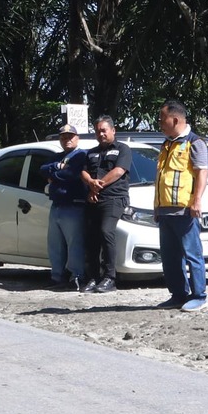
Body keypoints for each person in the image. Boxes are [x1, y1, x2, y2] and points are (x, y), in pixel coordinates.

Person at [153, 101, 208, 312]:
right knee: (170, 257)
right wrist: (157, 207)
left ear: (175, 120)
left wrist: (196, 201)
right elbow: (161, 177)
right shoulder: (167, 143)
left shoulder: (194, 143)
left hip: (184, 210)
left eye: (162, 119)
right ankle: (178, 294)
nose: (159, 123)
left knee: (192, 254)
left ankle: (199, 295)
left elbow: (202, 172)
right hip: (165, 210)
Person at [78, 116, 132, 294]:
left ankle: (110, 277)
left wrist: (96, 186)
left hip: (114, 198)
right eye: (98, 131)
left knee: (106, 231)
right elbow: (84, 172)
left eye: (104, 130)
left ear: (113, 131)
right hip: (94, 199)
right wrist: (91, 185)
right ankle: (93, 277)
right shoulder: (91, 152)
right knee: (91, 238)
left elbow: (118, 171)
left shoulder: (123, 149)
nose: (101, 134)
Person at [38, 123, 91, 292]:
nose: (66, 139)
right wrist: (56, 168)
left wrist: (55, 175)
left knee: (74, 244)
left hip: (74, 205)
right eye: (63, 137)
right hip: (57, 205)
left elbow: (72, 174)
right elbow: (42, 169)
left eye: (70, 136)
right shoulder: (57, 156)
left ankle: (76, 277)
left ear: (77, 138)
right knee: (55, 244)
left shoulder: (82, 155)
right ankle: (57, 277)